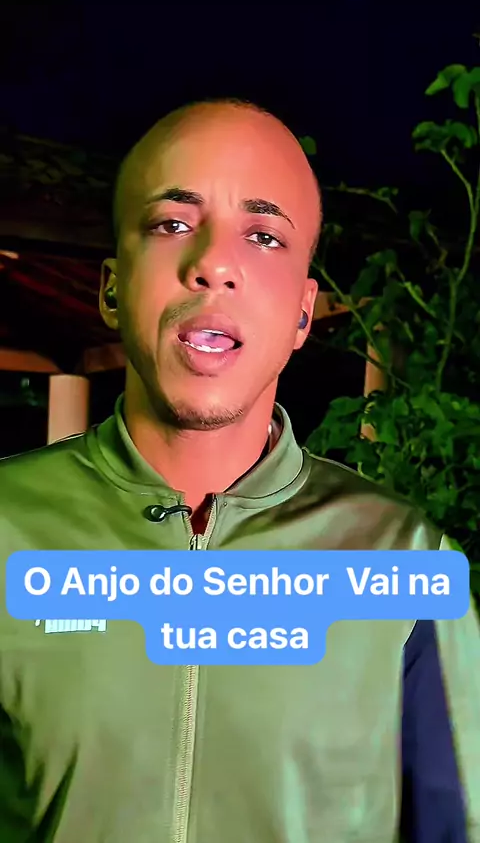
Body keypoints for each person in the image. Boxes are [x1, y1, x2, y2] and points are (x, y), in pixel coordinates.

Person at [0, 99, 479, 843]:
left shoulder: (405, 560)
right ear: (112, 287)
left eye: (263, 236)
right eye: (172, 223)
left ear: (302, 314)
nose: (214, 264)